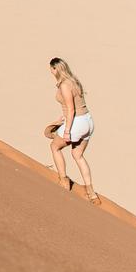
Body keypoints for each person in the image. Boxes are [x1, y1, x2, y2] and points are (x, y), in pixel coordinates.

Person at [43, 57, 98, 203]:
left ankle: (63, 180)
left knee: (55, 147)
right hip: (87, 121)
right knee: (77, 154)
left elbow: (71, 108)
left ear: (55, 69)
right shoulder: (74, 81)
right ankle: (91, 193)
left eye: (51, 68)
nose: (51, 71)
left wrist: (67, 130)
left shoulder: (64, 85)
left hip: (76, 122)